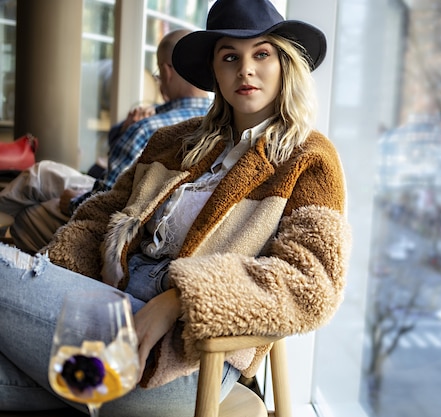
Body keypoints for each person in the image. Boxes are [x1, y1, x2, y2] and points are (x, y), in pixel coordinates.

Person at [0, 0, 350, 416]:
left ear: (284, 64)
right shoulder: (171, 141)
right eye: (229, 57)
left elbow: (312, 282)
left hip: (186, 359)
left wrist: (181, 298)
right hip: (105, 320)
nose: (246, 69)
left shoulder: (309, 157)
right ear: (215, 72)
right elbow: (100, 215)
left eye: (262, 54)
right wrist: (54, 285)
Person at [0, 28, 213, 254]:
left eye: (159, 74)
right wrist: (124, 130)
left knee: (31, 205)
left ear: (168, 71)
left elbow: (109, 200)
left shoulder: (148, 129)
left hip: (111, 220)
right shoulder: (214, 125)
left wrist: (76, 201)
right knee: (41, 174)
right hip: (144, 224)